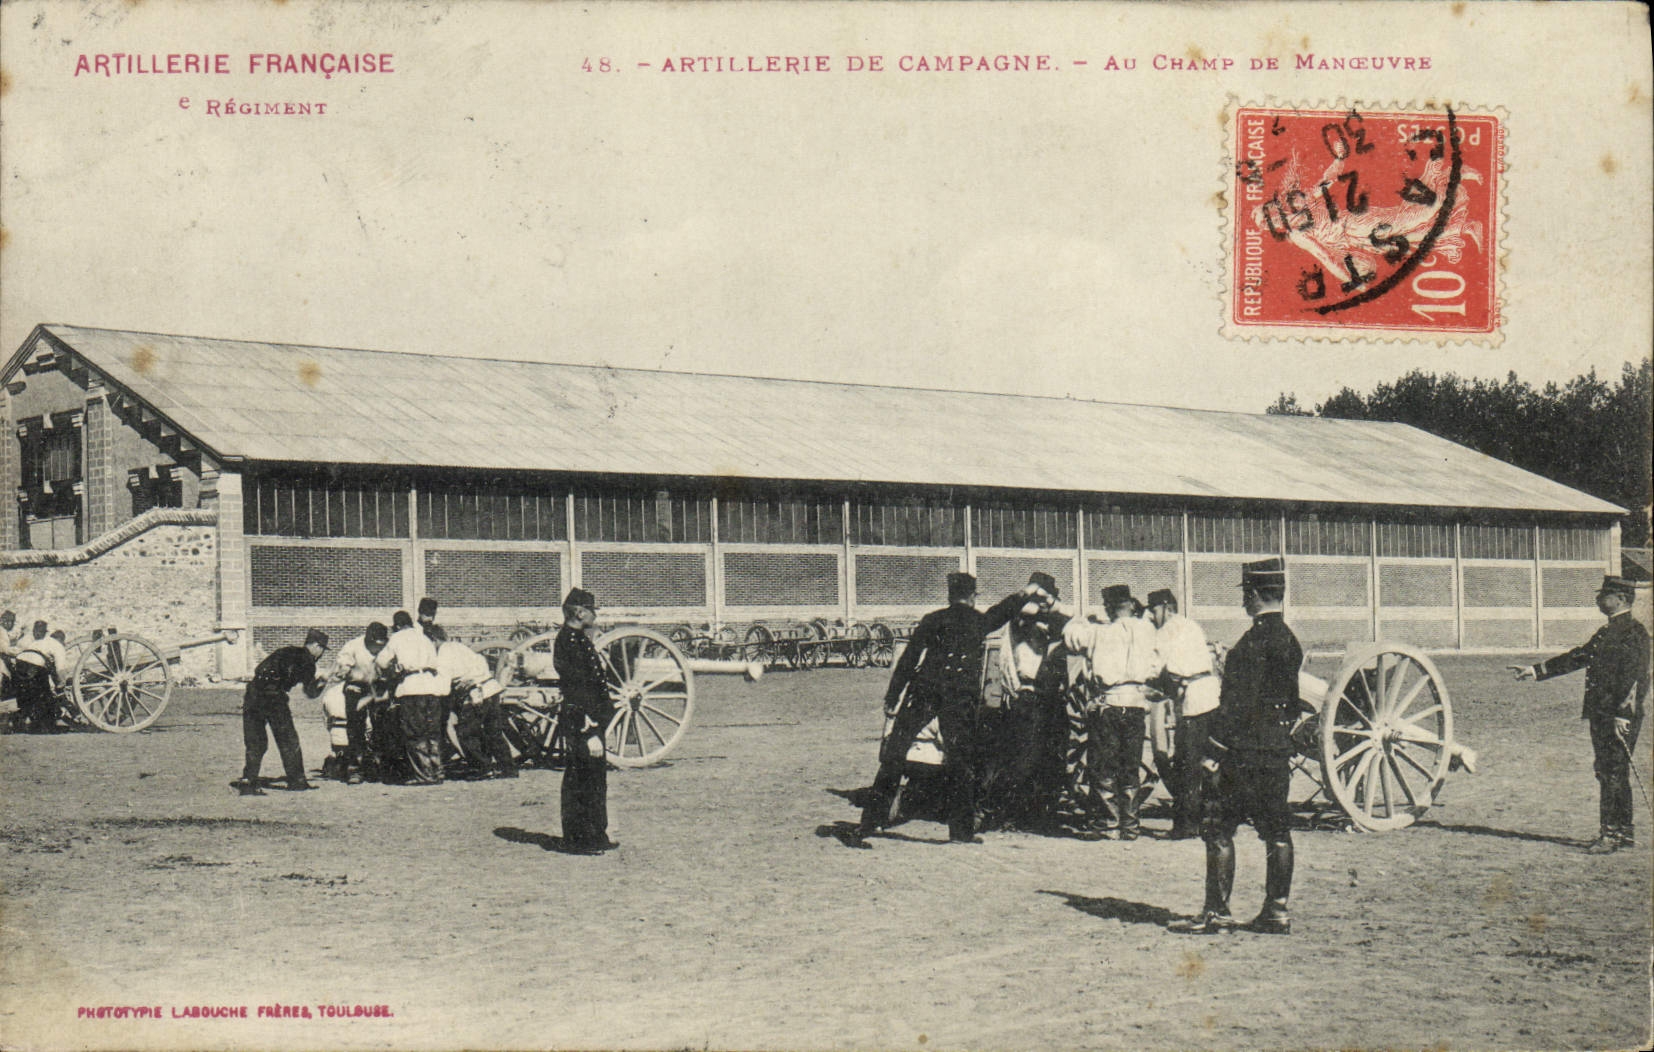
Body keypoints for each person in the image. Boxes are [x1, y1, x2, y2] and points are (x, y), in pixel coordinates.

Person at [1172, 557, 1303, 935]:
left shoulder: (1248, 645)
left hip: (1242, 755)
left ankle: (1216, 911)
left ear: (1256, 594)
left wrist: (1213, 751)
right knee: (1276, 831)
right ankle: (1276, 910)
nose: (1245, 601)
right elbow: (1292, 703)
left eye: (1247, 594)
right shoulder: (1290, 641)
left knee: (1218, 829)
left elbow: (1234, 707)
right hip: (1276, 752)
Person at [855, 573, 1034, 844]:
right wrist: (1027, 592)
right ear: (973, 596)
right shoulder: (979, 621)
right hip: (958, 699)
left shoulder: (932, 620)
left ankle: (871, 822)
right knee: (961, 763)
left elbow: (909, 659)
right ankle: (961, 832)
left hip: (923, 692)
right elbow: (1004, 609)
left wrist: (892, 695)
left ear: (950, 595)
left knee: (894, 755)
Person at [1510, 574, 1651, 854]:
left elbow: (1637, 678)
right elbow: (1579, 657)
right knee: (1610, 770)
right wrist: (1537, 670)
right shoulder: (1606, 632)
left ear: (1620, 599)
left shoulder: (1634, 632)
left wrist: (1623, 714)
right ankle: (1623, 832)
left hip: (1619, 715)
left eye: (1604, 595)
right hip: (1601, 713)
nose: (1598, 599)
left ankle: (1612, 834)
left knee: (1612, 770)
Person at [1064, 584, 1164, 840]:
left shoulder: (1098, 631)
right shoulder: (1147, 629)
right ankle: (1130, 826)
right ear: (1131, 604)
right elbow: (1157, 662)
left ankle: (1108, 824)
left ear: (1108, 607)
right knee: (1130, 767)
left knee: (1104, 767)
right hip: (1136, 703)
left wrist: (1084, 620)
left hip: (1108, 703)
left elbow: (1071, 638)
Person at [980, 572, 1070, 832]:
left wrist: (1050, 604)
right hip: (1028, 695)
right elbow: (1031, 615)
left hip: (1050, 697)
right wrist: (1037, 598)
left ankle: (1036, 813)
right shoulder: (1028, 614)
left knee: (1049, 758)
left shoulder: (1052, 617)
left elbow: (1065, 621)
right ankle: (1003, 813)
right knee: (1023, 758)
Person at [1148, 588, 1220, 839]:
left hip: (1193, 702)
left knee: (1186, 765)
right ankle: (1211, 819)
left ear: (1166, 607)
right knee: (1209, 762)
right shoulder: (1191, 625)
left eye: (1154, 610)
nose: (1152, 615)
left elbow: (1155, 666)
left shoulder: (1167, 630)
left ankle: (1186, 826)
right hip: (1211, 694)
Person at [555, 588, 616, 852]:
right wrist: (589, 728)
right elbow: (576, 688)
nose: (594, 615)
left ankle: (595, 834)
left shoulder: (577, 638)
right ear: (579, 612)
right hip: (582, 720)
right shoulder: (569, 642)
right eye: (591, 610)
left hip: (591, 719)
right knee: (581, 780)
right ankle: (578, 839)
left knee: (595, 779)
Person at [237, 628, 328, 795]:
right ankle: (297, 781)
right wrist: (324, 681)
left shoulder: (284, 651)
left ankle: (248, 780)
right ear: (315, 646)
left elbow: (260, 669)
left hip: (253, 693)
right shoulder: (308, 661)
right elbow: (310, 693)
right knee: (288, 740)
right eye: (322, 649)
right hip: (274, 698)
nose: (321, 653)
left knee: (255, 740)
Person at [433, 625, 517, 779]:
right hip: (491, 688)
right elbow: (480, 661)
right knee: (494, 731)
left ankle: (482, 767)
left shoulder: (443, 652)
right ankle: (508, 768)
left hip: (475, 694)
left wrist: (439, 695)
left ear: (434, 640)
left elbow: (444, 680)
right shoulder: (459, 646)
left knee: (466, 733)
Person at [375, 609, 446, 785]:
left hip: (411, 687)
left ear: (398, 625)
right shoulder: (424, 638)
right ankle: (437, 771)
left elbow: (381, 661)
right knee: (433, 732)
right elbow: (436, 661)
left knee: (415, 732)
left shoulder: (397, 638)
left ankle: (423, 775)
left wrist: (392, 671)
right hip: (431, 686)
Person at [321, 621, 388, 783]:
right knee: (355, 728)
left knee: (381, 726)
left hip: (377, 689)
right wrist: (356, 676)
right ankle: (355, 768)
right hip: (356, 689)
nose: (377, 648)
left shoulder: (388, 647)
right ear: (368, 639)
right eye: (375, 645)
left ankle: (376, 765)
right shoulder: (353, 646)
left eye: (381, 644)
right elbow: (342, 668)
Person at [13, 620, 69, 733]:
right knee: (46, 695)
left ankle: (24, 723)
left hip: (20, 663)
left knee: (26, 694)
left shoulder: (38, 642)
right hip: (35, 665)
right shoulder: (58, 646)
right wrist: (61, 684)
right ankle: (47, 726)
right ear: (62, 640)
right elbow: (60, 668)